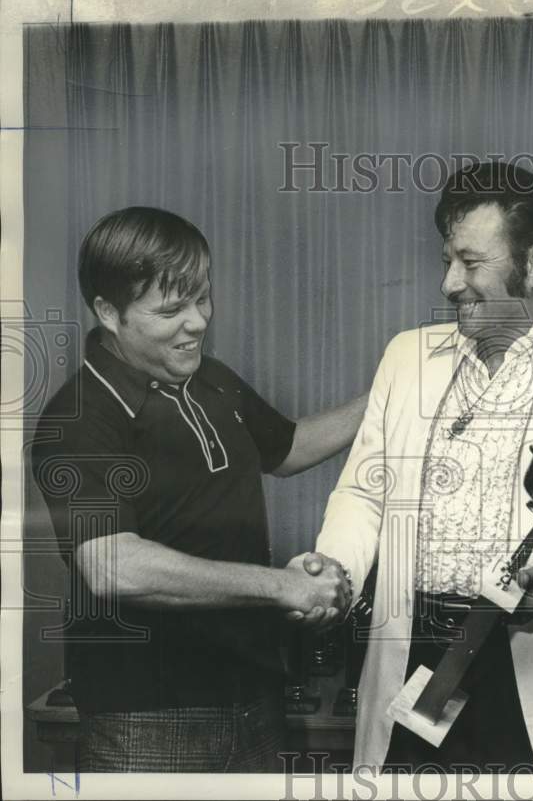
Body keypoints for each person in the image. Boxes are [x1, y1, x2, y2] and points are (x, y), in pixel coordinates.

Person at [309, 161, 533, 773]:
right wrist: (335, 571)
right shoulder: (407, 358)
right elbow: (364, 496)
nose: (449, 282)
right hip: (412, 663)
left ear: (532, 264)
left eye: (471, 262)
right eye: (447, 260)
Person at [30, 206, 366, 772]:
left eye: (202, 298)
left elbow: (287, 448)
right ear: (108, 313)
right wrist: (281, 587)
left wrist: (391, 391)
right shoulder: (80, 418)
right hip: (146, 720)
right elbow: (113, 564)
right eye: (170, 309)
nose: (197, 322)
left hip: (252, 697)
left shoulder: (210, 378)